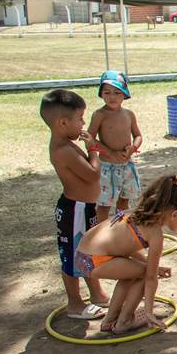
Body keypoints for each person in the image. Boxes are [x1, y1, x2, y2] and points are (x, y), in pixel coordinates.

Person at [76, 175, 177, 333]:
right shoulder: (155, 235)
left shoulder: (137, 214)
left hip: (82, 256)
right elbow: (150, 277)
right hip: (95, 261)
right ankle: (124, 321)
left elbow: (130, 249)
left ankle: (110, 319)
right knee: (143, 273)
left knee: (134, 273)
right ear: (174, 214)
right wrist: (149, 312)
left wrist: (150, 267)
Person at [41, 89, 110, 320]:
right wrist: (94, 150)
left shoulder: (66, 143)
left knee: (87, 252)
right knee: (72, 257)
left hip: (85, 207)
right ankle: (74, 303)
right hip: (75, 210)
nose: (83, 123)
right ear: (62, 122)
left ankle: (97, 293)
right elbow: (92, 175)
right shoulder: (63, 150)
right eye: (80, 118)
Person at [87, 71, 142, 223]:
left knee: (124, 200)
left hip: (126, 166)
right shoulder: (99, 114)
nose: (112, 97)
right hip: (107, 167)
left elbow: (138, 135)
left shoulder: (129, 114)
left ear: (124, 94)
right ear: (101, 94)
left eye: (117, 92)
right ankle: (101, 234)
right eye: (107, 92)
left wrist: (133, 148)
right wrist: (109, 152)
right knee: (104, 205)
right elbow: (89, 138)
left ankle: (119, 229)